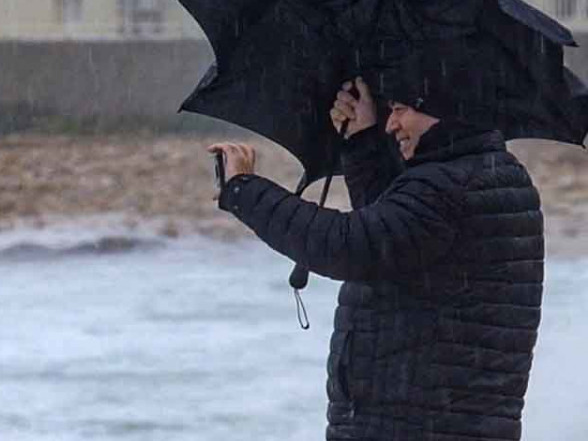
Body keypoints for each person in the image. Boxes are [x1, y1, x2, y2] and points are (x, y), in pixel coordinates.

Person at [207, 76, 544, 441]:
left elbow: (349, 246)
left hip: (414, 426)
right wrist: (363, 140)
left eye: (401, 110)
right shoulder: (487, 175)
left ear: (443, 111)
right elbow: (394, 248)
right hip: (439, 421)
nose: (391, 123)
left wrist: (246, 190)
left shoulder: (447, 188)